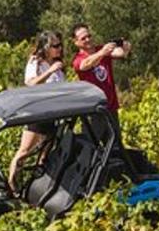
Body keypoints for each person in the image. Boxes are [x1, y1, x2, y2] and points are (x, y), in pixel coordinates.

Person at [8, 30, 66, 191]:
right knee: (24, 151)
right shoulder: (36, 63)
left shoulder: (58, 64)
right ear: (46, 47)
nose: (59, 49)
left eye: (60, 45)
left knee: (45, 154)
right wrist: (50, 71)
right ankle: (12, 186)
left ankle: (37, 186)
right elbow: (31, 84)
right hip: (37, 112)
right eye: (55, 46)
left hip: (54, 113)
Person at [71, 23, 131, 140]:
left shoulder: (101, 49)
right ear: (76, 42)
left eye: (89, 36)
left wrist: (124, 46)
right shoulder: (78, 59)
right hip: (94, 110)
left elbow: (120, 53)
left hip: (110, 107)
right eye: (83, 38)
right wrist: (102, 52)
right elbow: (85, 65)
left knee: (115, 146)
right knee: (93, 147)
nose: (88, 40)